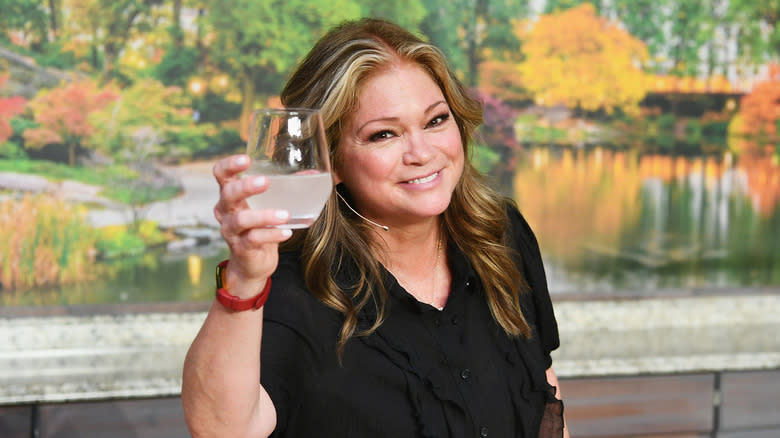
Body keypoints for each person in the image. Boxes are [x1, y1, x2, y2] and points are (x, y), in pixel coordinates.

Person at [182, 18, 569, 438]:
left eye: (436, 121)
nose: (421, 152)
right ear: (331, 162)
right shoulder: (293, 291)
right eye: (384, 134)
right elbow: (220, 431)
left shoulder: (501, 235)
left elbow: (543, 387)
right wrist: (242, 281)